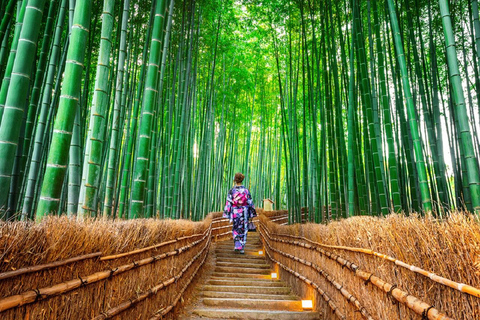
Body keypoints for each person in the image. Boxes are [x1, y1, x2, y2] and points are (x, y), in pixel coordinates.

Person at [223, 173, 256, 254]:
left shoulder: (232, 191)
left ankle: (237, 245)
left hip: (235, 212)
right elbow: (250, 202)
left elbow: (229, 203)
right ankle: (242, 248)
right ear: (242, 180)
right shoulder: (246, 191)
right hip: (244, 212)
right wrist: (252, 213)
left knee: (236, 228)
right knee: (244, 229)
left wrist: (227, 213)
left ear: (235, 180)